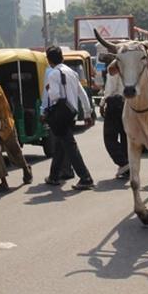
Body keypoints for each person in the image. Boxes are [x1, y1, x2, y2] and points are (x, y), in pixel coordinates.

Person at [44, 46, 95, 190]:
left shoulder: (53, 74)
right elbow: (82, 94)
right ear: (62, 58)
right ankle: (53, 176)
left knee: (70, 147)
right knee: (61, 144)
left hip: (59, 115)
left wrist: (48, 90)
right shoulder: (71, 72)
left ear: (49, 60)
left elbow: (54, 96)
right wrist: (87, 113)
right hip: (70, 113)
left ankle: (85, 178)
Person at [100, 59, 129, 179]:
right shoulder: (129, 65)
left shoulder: (115, 65)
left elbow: (110, 89)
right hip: (128, 103)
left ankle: (123, 162)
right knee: (125, 136)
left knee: (109, 137)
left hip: (115, 102)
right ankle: (127, 166)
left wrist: (103, 102)